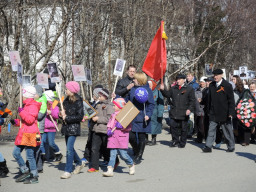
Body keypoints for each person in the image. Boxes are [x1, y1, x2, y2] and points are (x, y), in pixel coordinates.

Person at [13, 86, 42, 184]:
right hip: (24, 133)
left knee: (30, 155)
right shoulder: (25, 105)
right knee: (16, 153)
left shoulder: (33, 105)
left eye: (23, 94)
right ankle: (25, 171)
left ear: (26, 95)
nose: (21, 96)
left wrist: (21, 112)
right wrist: (16, 122)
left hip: (31, 134)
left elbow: (30, 120)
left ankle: (34, 175)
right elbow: (25, 121)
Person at [202, 69, 236, 153]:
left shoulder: (227, 85)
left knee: (226, 131)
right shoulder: (212, 85)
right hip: (213, 112)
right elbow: (209, 99)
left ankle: (231, 146)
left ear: (222, 75)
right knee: (211, 130)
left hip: (224, 112)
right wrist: (208, 110)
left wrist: (231, 112)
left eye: (217, 75)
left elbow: (231, 100)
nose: (215, 77)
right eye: (214, 75)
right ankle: (208, 146)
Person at [126, 72, 155, 164]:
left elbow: (151, 104)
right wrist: (117, 97)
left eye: (134, 78)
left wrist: (148, 114)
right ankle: (136, 150)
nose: (133, 80)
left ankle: (139, 156)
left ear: (139, 80)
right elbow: (127, 100)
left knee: (142, 137)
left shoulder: (147, 90)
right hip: (132, 116)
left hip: (143, 116)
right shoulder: (132, 89)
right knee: (131, 136)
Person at [160, 74, 195, 148]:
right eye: (177, 79)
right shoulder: (173, 88)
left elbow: (192, 101)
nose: (178, 81)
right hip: (174, 112)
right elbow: (168, 95)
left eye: (179, 79)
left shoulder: (189, 89)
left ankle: (182, 142)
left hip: (184, 112)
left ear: (184, 80)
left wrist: (189, 109)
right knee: (173, 127)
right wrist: (163, 90)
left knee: (183, 128)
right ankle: (175, 140)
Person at [102, 98, 135, 177]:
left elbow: (129, 127)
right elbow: (109, 124)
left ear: (120, 106)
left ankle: (131, 164)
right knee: (112, 154)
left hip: (121, 138)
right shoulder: (113, 115)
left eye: (114, 105)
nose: (113, 107)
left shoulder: (125, 116)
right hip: (113, 138)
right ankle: (110, 170)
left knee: (123, 154)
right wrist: (109, 130)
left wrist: (123, 126)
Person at [60, 81, 84, 179]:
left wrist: (67, 118)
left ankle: (68, 170)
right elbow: (63, 114)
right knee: (70, 148)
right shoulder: (65, 100)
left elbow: (79, 116)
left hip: (74, 128)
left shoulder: (78, 101)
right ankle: (79, 162)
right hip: (66, 127)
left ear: (72, 90)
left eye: (67, 89)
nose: (65, 90)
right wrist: (61, 115)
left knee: (69, 149)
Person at [88, 88, 114, 173]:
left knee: (106, 148)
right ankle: (95, 166)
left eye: (100, 95)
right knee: (94, 148)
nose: (98, 96)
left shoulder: (110, 106)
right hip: (96, 130)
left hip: (105, 130)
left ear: (105, 96)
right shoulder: (97, 104)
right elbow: (93, 113)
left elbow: (110, 119)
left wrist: (98, 119)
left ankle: (115, 161)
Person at [81, 85, 103, 164]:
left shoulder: (100, 104)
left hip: (97, 126)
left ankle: (98, 157)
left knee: (97, 144)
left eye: (94, 95)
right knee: (89, 142)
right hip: (91, 125)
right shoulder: (94, 103)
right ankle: (87, 157)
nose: (93, 96)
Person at [40, 90, 63, 162]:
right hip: (43, 127)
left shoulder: (54, 105)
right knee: (42, 142)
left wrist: (51, 112)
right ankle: (43, 155)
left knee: (51, 143)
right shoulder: (42, 104)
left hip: (51, 128)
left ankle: (58, 153)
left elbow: (56, 116)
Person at [146, 80, 164, 146]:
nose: (148, 86)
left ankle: (153, 139)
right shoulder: (145, 92)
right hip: (146, 111)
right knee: (145, 124)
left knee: (154, 125)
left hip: (155, 112)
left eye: (150, 85)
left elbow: (161, 103)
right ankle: (146, 139)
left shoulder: (158, 92)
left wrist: (160, 112)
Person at [186, 72, 199, 137]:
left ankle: (190, 132)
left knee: (191, 118)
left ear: (192, 77)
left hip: (192, 104)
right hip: (186, 103)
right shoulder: (186, 83)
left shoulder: (195, 85)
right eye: (187, 76)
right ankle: (188, 131)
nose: (187, 77)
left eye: (189, 76)